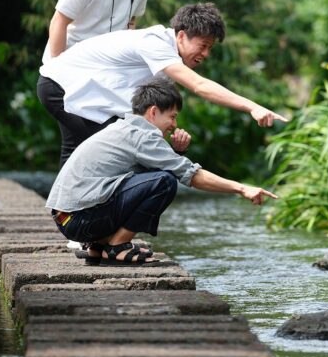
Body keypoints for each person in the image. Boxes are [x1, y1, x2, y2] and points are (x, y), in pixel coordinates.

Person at [46, 78, 277, 265]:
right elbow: (191, 175)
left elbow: (138, 174)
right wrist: (241, 188)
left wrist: (174, 151)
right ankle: (116, 247)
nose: (174, 124)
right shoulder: (143, 136)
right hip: (81, 219)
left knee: (156, 178)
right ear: (153, 112)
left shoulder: (125, 127)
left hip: (69, 219)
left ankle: (100, 245)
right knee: (165, 182)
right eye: (173, 116)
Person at [37, 2, 287, 167]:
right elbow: (199, 86)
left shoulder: (167, 64)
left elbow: (153, 116)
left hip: (76, 92)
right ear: (181, 36)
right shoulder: (157, 44)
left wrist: (175, 144)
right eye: (203, 46)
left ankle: (80, 228)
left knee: (87, 151)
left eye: (210, 48)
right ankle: (89, 230)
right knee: (114, 152)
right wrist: (252, 107)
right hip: (59, 86)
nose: (206, 54)